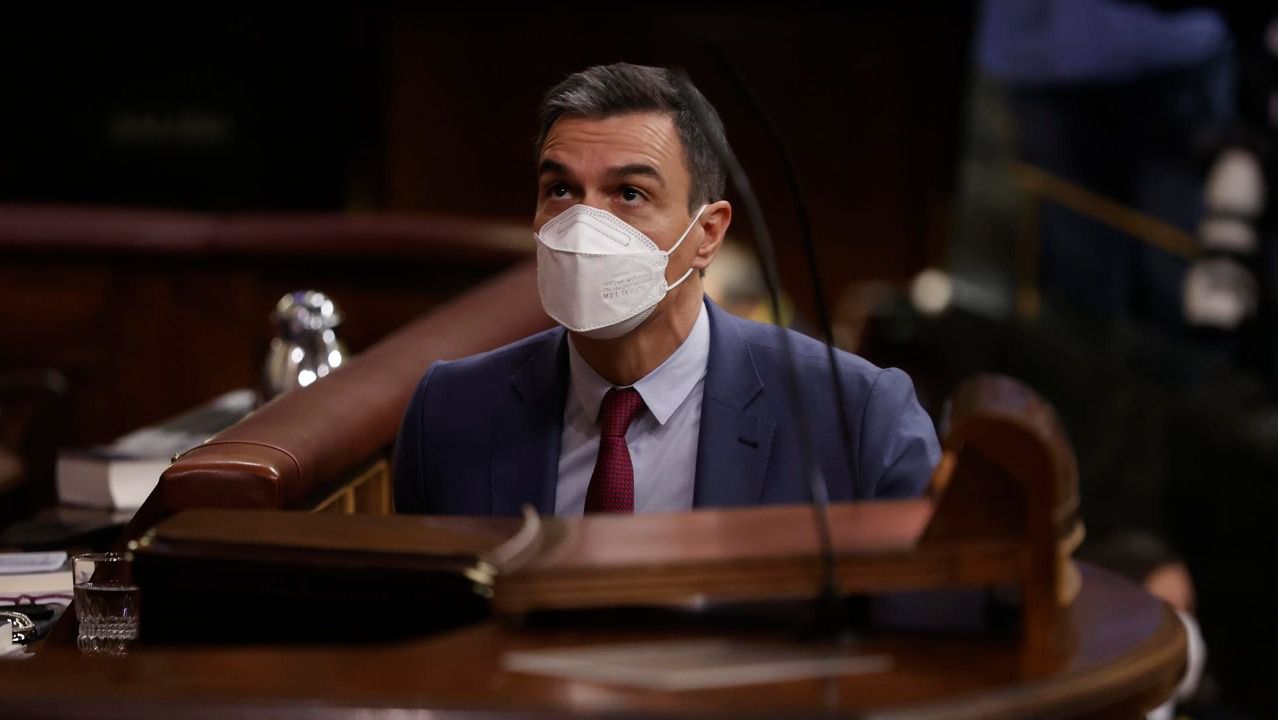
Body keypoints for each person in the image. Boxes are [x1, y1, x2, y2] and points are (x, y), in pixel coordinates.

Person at [393, 63, 939, 517]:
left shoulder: (859, 418)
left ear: (708, 234)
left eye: (629, 193)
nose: (582, 223)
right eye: (559, 189)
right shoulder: (449, 412)